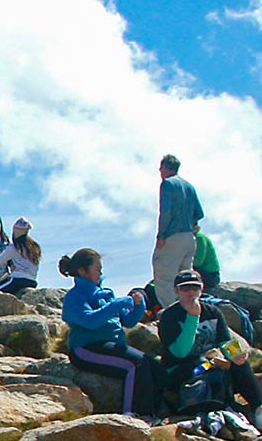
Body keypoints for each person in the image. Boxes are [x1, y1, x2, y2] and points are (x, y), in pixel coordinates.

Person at [158, 269, 262, 433]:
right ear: (177, 291)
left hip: (205, 363)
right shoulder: (170, 316)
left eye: (195, 288)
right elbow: (180, 352)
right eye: (185, 289)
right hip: (178, 370)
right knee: (206, 366)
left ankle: (260, 410)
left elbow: (225, 341)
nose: (191, 293)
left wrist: (236, 355)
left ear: (201, 289)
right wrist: (193, 318)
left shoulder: (213, 312)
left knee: (239, 366)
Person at [59, 248, 164, 419]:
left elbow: (128, 321)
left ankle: (155, 413)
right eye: (97, 269)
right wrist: (117, 304)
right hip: (86, 349)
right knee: (135, 365)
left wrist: (139, 306)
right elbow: (89, 321)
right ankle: (133, 415)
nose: (100, 272)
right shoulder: (75, 297)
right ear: (82, 271)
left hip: (112, 345)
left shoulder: (106, 294)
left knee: (153, 366)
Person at [152, 154, 203, 307]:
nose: (160, 172)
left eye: (161, 168)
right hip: (189, 237)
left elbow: (165, 212)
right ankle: (190, 308)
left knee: (164, 276)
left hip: (172, 236)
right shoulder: (189, 186)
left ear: (166, 168)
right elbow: (199, 213)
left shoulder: (167, 184)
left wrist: (161, 235)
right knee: (186, 277)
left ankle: (170, 311)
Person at [0, 218, 41, 294]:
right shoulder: (35, 246)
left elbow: (0, 260)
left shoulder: (13, 247)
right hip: (32, 281)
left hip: (17, 280)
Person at [194, 226, 221, 293]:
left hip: (210, 275)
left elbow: (198, 262)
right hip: (207, 273)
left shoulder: (199, 237)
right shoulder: (198, 236)